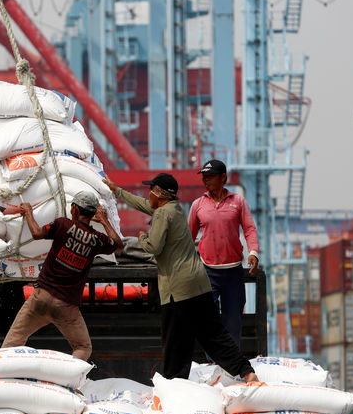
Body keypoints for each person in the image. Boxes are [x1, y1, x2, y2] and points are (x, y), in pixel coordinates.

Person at [103, 173, 258, 381]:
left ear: (158, 193)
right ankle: (246, 372)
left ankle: (174, 382)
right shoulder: (175, 210)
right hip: (199, 283)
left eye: (151, 190)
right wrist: (118, 191)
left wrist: (142, 236)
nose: (148, 194)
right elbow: (143, 205)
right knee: (214, 335)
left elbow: (154, 247)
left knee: (175, 340)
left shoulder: (161, 215)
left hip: (178, 289)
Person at [1, 191, 123, 361]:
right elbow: (118, 245)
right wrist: (103, 220)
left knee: (11, 344)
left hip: (40, 299)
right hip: (66, 307)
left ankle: (5, 377)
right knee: (83, 347)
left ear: (74, 209)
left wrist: (28, 212)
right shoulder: (97, 239)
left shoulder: (62, 224)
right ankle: (67, 381)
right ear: (92, 213)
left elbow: (36, 233)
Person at [189, 159, 259, 347]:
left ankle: (232, 362)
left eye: (210, 177)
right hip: (207, 272)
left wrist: (253, 252)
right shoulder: (197, 205)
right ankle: (212, 361)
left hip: (233, 272)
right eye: (204, 177)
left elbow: (250, 229)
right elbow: (188, 237)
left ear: (223, 177)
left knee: (233, 320)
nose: (206, 180)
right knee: (207, 319)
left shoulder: (238, 202)